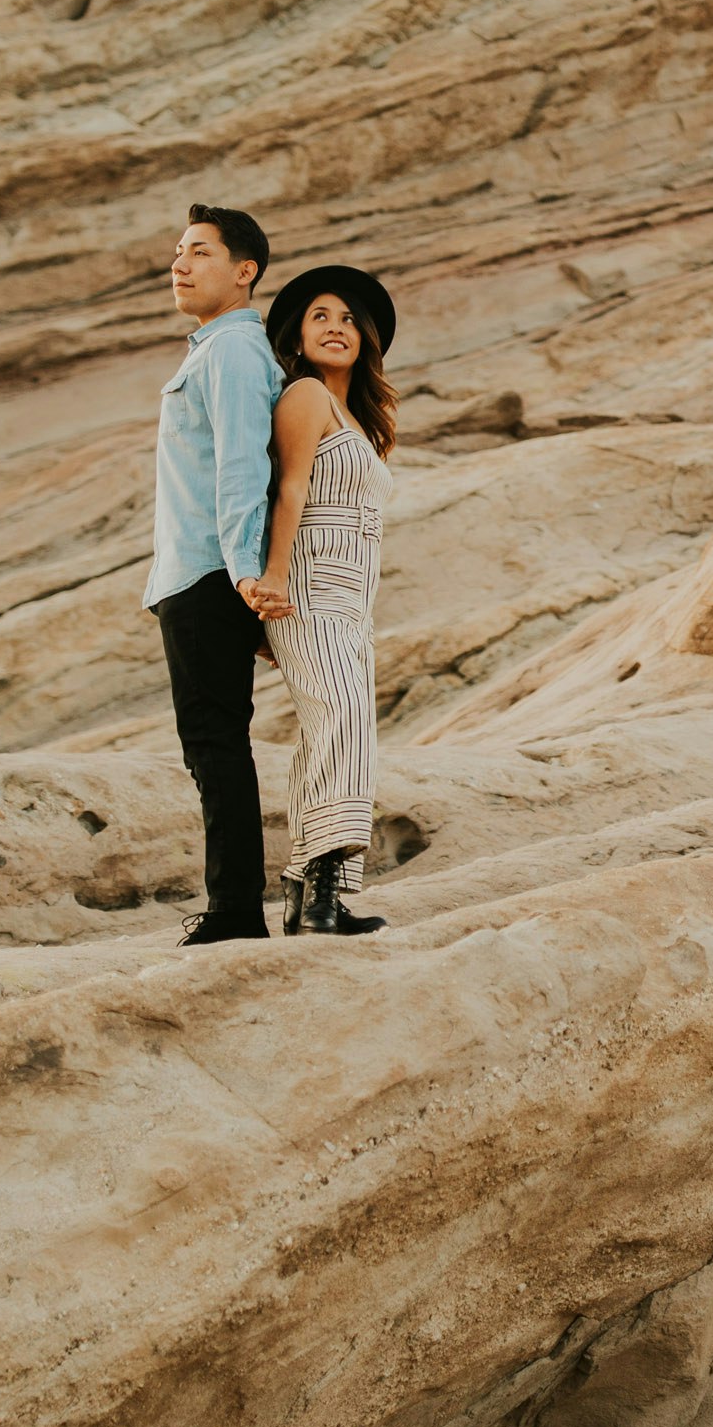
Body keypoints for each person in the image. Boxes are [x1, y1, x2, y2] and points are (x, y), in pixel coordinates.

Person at [144, 204, 292, 945]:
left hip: (209, 574)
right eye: (177, 251)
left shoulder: (233, 352)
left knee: (214, 742)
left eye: (198, 251)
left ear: (244, 271)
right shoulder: (213, 351)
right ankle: (234, 904)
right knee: (212, 742)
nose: (179, 263)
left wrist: (243, 579)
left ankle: (235, 911)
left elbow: (243, 466)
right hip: (200, 574)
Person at [258, 264, 397, 936]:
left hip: (352, 603)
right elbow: (287, 490)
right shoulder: (307, 395)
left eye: (347, 318)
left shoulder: (361, 421)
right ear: (298, 334)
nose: (336, 327)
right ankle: (321, 892)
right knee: (341, 719)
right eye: (320, 316)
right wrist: (275, 581)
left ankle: (309, 893)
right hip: (309, 590)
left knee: (335, 732)